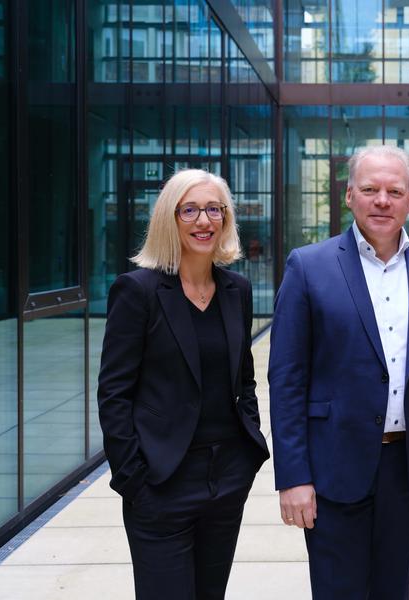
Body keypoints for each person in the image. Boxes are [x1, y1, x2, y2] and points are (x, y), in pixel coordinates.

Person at [269, 145, 409, 599]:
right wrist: (293, 477)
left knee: (393, 589)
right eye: (370, 189)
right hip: (332, 465)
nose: (382, 200)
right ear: (349, 196)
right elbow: (286, 381)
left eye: (394, 190)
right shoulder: (308, 266)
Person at [97, 169, 270, 600]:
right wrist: (135, 478)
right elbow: (113, 393)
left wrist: (246, 456)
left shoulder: (237, 290)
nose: (203, 220)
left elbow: (243, 379)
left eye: (215, 209)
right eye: (189, 209)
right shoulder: (137, 292)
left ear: (226, 219)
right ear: (168, 220)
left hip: (226, 478)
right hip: (161, 481)